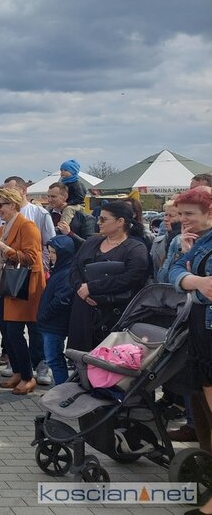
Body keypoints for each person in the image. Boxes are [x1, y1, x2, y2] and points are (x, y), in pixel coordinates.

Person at [168, 187, 212, 515]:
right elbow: (171, 274)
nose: (183, 220)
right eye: (181, 213)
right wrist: (194, 280)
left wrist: (189, 279)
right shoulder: (198, 241)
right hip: (201, 333)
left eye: (189, 214)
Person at [0, 176, 55, 381]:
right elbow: (2, 256)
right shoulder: (2, 227)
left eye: (0, 205)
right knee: (8, 331)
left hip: (25, 285)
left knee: (17, 331)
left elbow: (32, 258)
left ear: (13, 204)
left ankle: (27, 376)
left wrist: (4, 248)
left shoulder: (28, 226)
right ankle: (18, 372)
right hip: (8, 283)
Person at [67, 200, 149, 353]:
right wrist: (81, 289)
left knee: (108, 360)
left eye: (103, 219)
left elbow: (131, 278)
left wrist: (91, 288)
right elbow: (74, 268)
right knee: (80, 357)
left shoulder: (136, 248)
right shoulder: (91, 242)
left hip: (113, 315)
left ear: (120, 222)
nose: (98, 222)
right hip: (83, 312)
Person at [35, 235, 76, 385]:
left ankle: (61, 391)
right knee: (53, 358)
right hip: (51, 323)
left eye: (54, 252)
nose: (50, 256)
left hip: (55, 324)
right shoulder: (60, 269)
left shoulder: (66, 272)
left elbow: (61, 300)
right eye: (50, 252)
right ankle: (60, 390)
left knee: (54, 359)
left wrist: (44, 315)